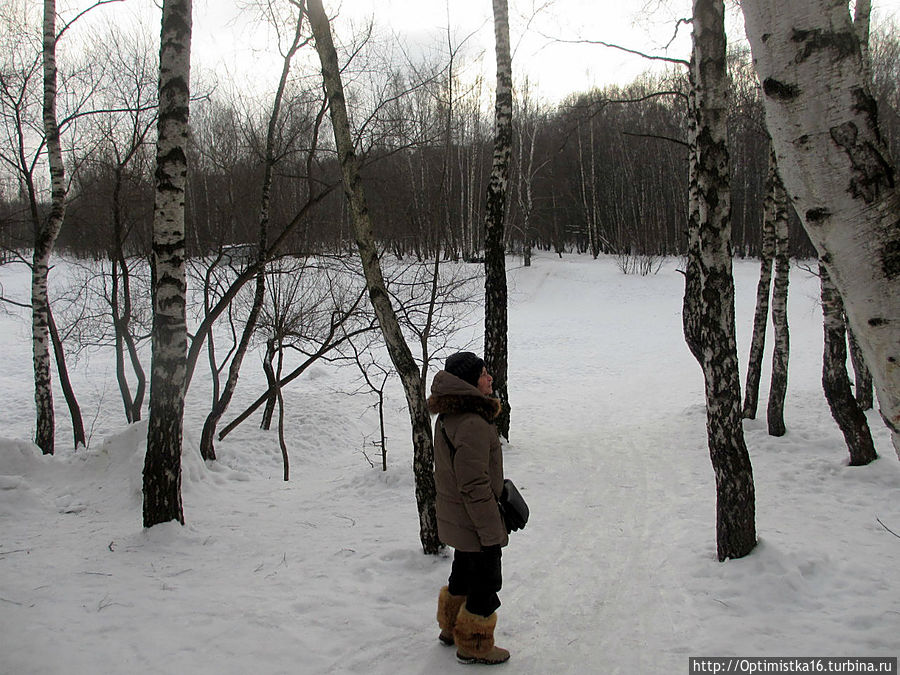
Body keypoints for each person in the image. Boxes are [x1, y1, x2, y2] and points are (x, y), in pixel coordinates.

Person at [427, 351, 510, 665]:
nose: (490, 379)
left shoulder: (450, 416)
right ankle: (475, 645)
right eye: (484, 374)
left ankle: (451, 628)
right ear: (468, 383)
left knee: (463, 573)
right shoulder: (473, 422)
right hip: (475, 519)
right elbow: (473, 484)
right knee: (487, 581)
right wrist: (492, 530)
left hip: (459, 518)